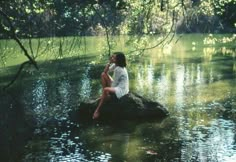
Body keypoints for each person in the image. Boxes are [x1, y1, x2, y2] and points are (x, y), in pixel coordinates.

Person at [93, 52, 129, 119]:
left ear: (118, 60)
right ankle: (106, 95)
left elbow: (114, 84)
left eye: (114, 58)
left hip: (122, 89)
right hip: (117, 85)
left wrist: (106, 90)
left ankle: (97, 110)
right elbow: (105, 71)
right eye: (112, 57)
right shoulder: (116, 65)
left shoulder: (119, 69)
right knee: (103, 74)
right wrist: (109, 62)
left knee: (105, 89)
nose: (112, 58)